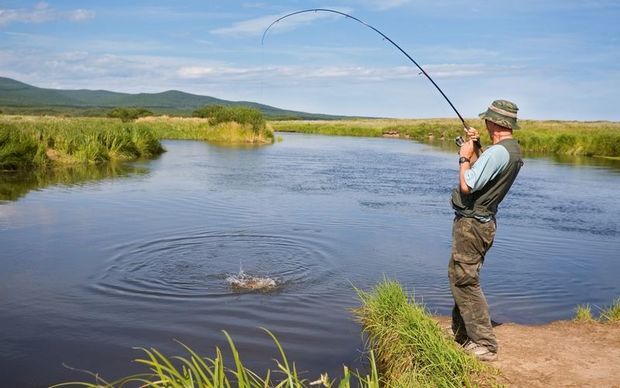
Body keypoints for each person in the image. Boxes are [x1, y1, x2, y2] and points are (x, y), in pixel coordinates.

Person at [448, 99, 523, 361]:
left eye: (487, 119)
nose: (484, 122)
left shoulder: (499, 152)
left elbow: (468, 184)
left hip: (473, 225)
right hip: (481, 223)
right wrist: (478, 147)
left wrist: (464, 156)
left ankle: (484, 344)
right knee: (460, 274)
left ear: (496, 122)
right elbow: (485, 172)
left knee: (465, 279)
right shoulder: (508, 150)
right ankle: (462, 332)